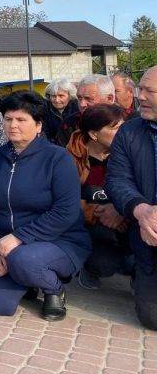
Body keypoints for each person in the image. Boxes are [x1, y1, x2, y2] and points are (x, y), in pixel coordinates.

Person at [0, 91, 91, 321]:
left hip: (58, 241)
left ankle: (53, 288)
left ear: (38, 126)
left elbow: (65, 211)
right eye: (8, 119)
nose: (13, 125)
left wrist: (19, 238)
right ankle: (25, 280)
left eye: (21, 119)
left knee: (23, 260)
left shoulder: (58, 159)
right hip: (5, 244)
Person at [104, 65, 157, 329]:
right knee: (152, 318)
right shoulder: (130, 131)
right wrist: (142, 211)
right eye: (140, 89)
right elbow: (116, 180)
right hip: (146, 234)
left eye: (149, 91)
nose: (140, 96)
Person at [65, 104, 130, 290]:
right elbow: (65, 200)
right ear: (94, 134)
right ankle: (85, 264)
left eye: (123, 127)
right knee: (103, 264)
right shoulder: (68, 158)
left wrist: (121, 211)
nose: (122, 133)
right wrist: (94, 212)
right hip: (86, 227)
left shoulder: (128, 154)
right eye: (114, 128)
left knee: (134, 261)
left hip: (124, 221)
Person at [43, 77, 80, 147]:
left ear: (69, 95)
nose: (57, 100)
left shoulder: (77, 107)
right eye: (53, 96)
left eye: (61, 96)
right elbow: (44, 134)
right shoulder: (45, 109)